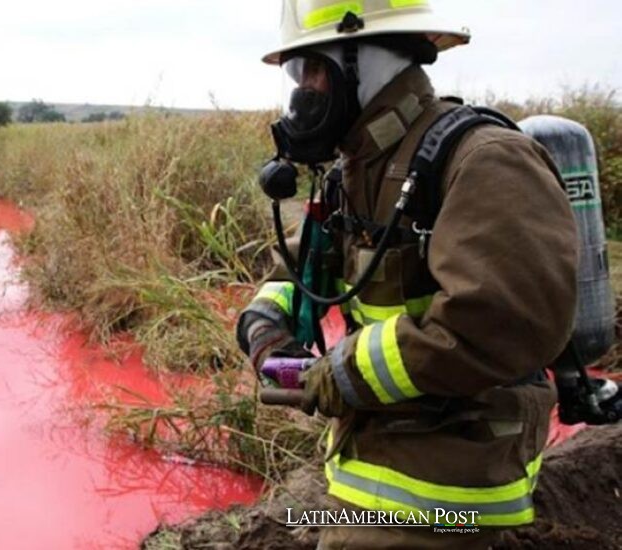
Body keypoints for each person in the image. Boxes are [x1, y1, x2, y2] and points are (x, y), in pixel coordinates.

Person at [236, 1, 579, 548]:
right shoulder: (358, 168)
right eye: (298, 76)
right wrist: (263, 326)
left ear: (363, 61)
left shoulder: (485, 160)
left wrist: (337, 371)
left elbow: (499, 323)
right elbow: (300, 267)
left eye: (314, 70)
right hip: (374, 456)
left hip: (447, 483)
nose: (305, 91)